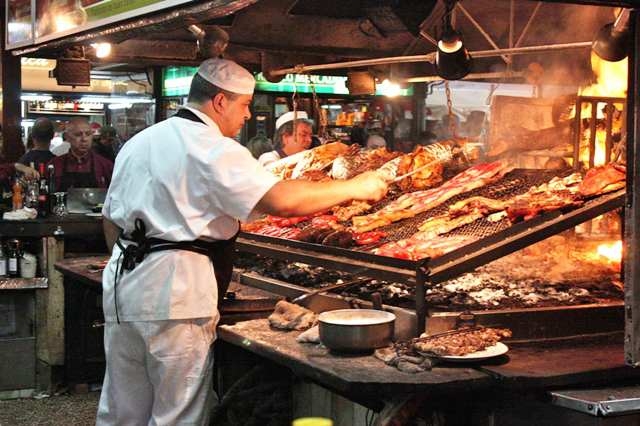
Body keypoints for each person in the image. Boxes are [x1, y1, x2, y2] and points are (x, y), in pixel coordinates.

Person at [97, 58, 387, 426]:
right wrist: (356, 186)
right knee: (177, 412)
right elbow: (281, 201)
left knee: (123, 408)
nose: (246, 116)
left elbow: (109, 219)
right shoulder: (213, 147)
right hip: (177, 293)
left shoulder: (141, 142)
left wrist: (134, 268)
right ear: (220, 102)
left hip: (124, 287)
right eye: (245, 105)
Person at [48, 117, 114, 191]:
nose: (84, 139)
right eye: (78, 135)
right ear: (67, 137)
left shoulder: (105, 165)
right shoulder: (55, 165)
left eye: (88, 134)